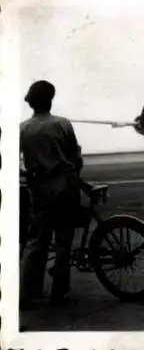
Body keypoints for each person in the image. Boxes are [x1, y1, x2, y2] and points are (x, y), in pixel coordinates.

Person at [19, 80, 83, 310]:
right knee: (64, 240)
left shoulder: (23, 129)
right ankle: (59, 292)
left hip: (40, 191)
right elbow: (75, 157)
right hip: (66, 188)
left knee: (36, 241)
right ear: (50, 100)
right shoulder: (63, 124)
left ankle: (28, 293)